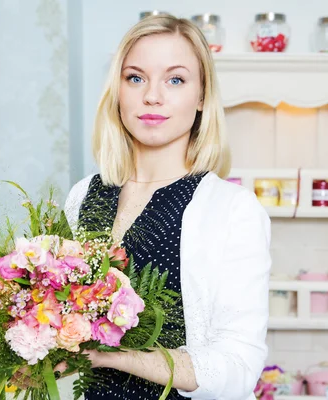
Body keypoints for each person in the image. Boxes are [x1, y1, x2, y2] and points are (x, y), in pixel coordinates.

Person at [63, 14, 271, 400]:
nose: (152, 96)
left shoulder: (232, 210)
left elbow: (239, 367)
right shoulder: (83, 196)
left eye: (175, 79)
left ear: (202, 96)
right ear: (118, 91)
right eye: (135, 78)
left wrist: (116, 356)